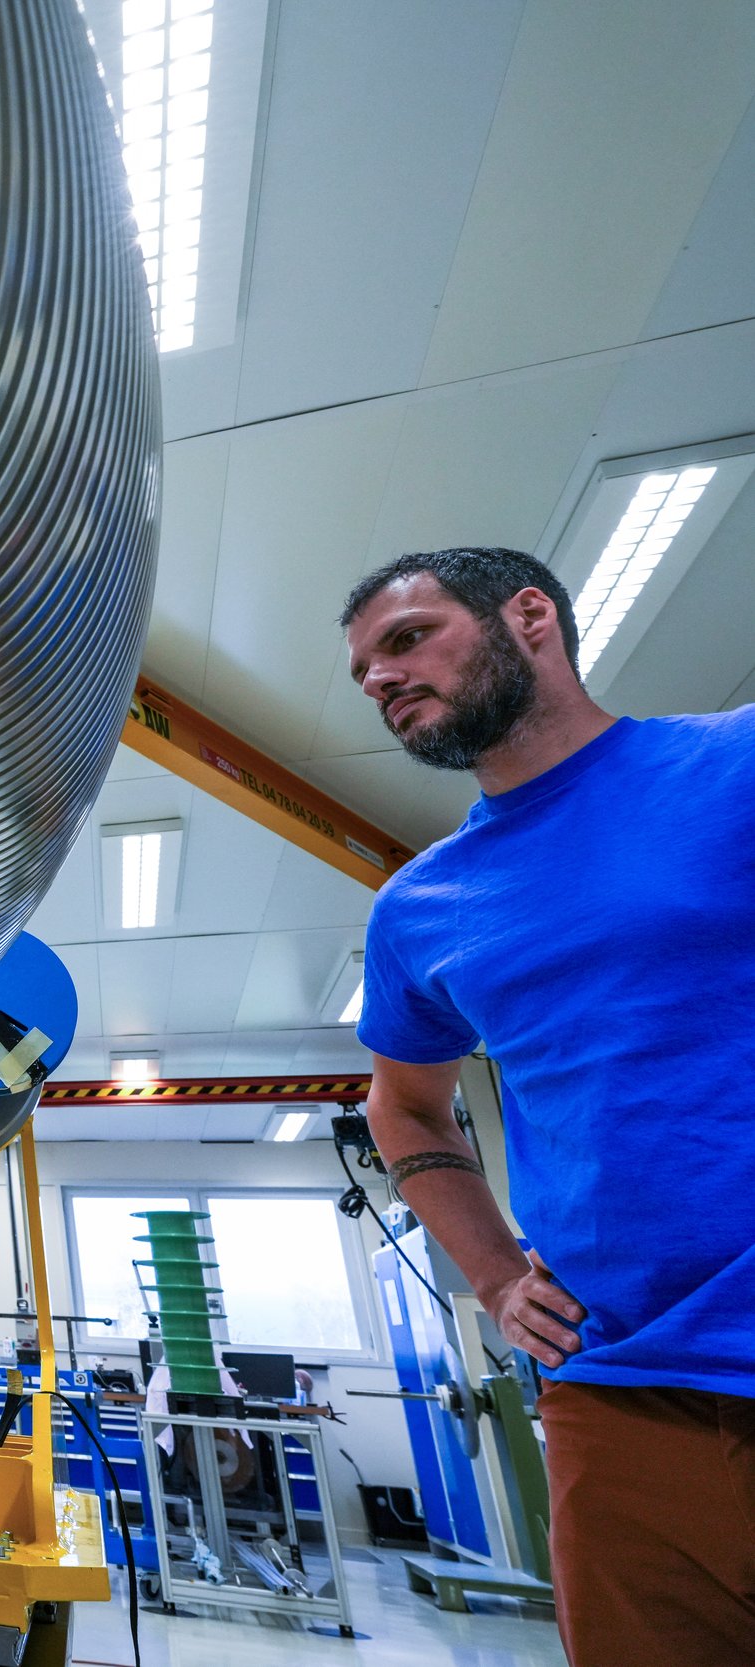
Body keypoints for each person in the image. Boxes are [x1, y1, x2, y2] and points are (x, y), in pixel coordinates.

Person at [340, 545, 755, 1667]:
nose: (378, 678)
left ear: (530, 616)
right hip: (617, 1392)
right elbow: (403, 1108)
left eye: (406, 637)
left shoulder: (734, 763)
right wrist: (493, 1274)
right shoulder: (420, 907)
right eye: (362, 672)